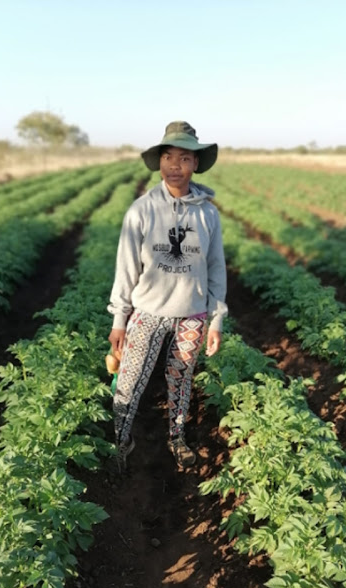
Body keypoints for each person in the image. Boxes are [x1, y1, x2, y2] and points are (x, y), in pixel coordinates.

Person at [107, 120, 228, 471]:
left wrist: (216, 319)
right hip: (147, 313)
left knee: (181, 380)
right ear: (159, 162)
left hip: (192, 315)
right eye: (169, 157)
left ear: (195, 164)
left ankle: (176, 439)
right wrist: (119, 320)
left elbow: (216, 268)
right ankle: (120, 442)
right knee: (129, 381)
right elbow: (126, 269)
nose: (176, 166)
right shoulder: (141, 211)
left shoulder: (207, 214)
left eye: (185, 158)